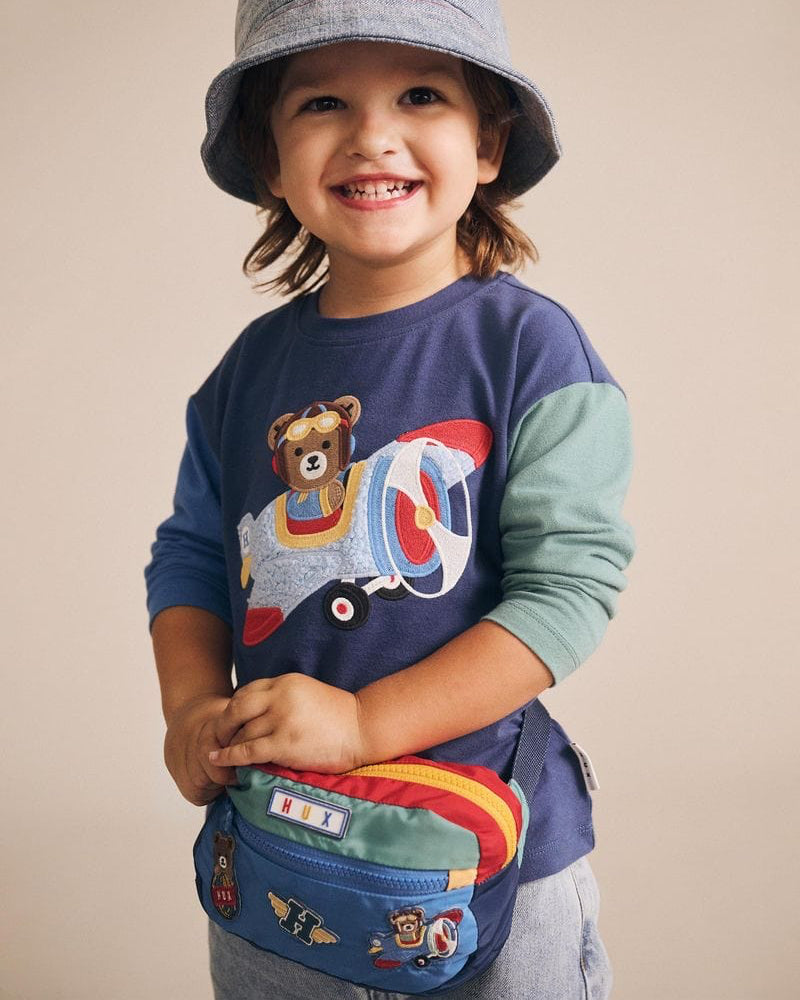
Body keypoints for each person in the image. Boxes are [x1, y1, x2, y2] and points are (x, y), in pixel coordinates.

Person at [144, 2, 636, 997]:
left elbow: (566, 591)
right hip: (278, 863)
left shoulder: (531, 354)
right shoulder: (243, 378)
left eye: (420, 94)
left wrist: (367, 725)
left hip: (489, 869)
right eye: (323, 101)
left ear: (487, 142)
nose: (373, 133)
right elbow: (191, 554)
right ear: (271, 163)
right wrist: (191, 705)